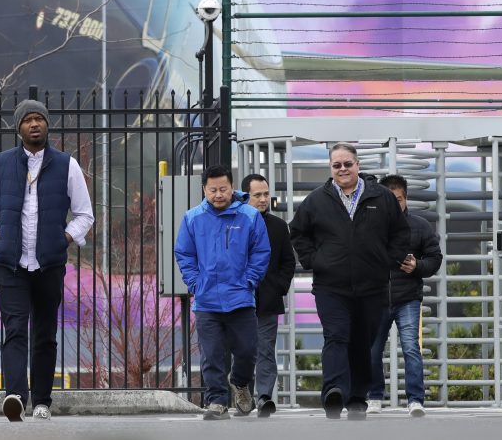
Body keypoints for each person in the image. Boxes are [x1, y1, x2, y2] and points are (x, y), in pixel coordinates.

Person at [0, 99, 94, 422]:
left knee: (45, 332)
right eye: (27, 120)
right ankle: (14, 395)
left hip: (49, 264)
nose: (34, 124)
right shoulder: (0, 163)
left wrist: (63, 239)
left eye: (39, 118)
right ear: (19, 128)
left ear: (47, 125)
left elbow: (85, 214)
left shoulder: (67, 165)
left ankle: (41, 401)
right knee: (14, 329)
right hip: (10, 264)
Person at [289, 143, 410, 421]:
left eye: (347, 164)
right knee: (336, 335)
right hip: (331, 286)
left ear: (357, 165)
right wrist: (314, 261)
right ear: (330, 168)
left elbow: (400, 233)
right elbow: (297, 233)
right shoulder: (317, 200)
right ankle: (333, 390)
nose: (342, 169)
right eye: (336, 165)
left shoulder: (382, 197)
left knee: (361, 342)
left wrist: (388, 262)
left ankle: (357, 397)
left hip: (372, 286)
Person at [175, 164, 270, 421]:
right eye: (213, 190)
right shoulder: (193, 218)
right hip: (207, 300)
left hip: (241, 297)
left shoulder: (249, 216)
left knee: (248, 351)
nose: (218, 195)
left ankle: (239, 383)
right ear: (204, 189)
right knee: (212, 354)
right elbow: (184, 253)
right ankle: (216, 401)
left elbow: (261, 252)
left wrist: (250, 280)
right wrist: (195, 283)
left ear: (232, 187)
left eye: (223, 189)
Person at [367, 174, 443, 418]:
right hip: (376, 297)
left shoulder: (420, 226)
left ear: (406, 199)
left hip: (408, 297)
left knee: (411, 348)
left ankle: (415, 400)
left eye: (398, 200)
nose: (394, 205)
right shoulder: (370, 225)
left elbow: (435, 258)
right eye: (389, 200)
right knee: (372, 349)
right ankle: (375, 396)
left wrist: (418, 266)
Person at [241, 173, 296, 418]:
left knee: (265, 350)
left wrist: (278, 287)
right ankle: (242, 396)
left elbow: (288, 262)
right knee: (241, 350)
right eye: (258, 195)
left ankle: (263, 397)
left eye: (266, 194)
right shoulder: (234, 223)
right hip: (238, 300)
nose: (264, 199)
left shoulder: (278, 226)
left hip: (268, 300)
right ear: (245, 197)